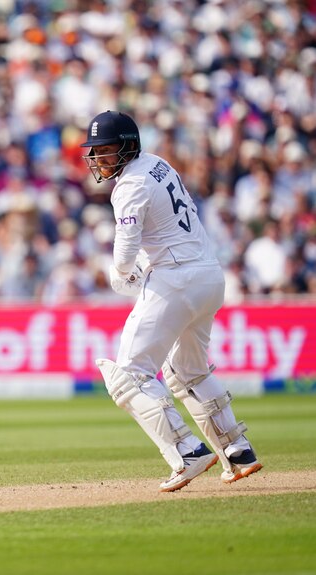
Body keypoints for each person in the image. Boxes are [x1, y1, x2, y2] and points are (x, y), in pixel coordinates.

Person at [82, 111, 262, 492]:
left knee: (129, 374)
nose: (99, 160)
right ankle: (236, 450)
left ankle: (187, 451)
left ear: (129, 146)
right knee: (189, 372)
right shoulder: (159, 164)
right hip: (208, 276)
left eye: (106, 150)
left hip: (175, 279)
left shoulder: (128, 185)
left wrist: (120, 275)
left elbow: (124, 254)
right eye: (95, 152)